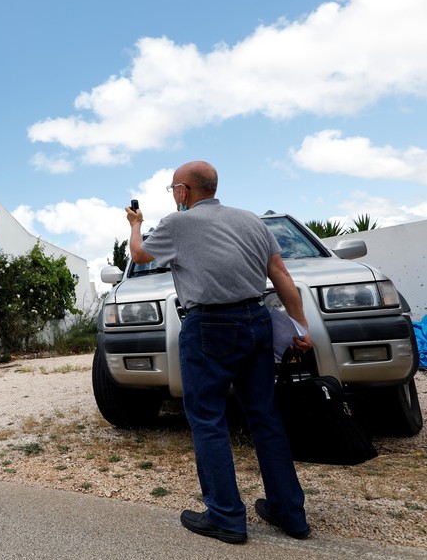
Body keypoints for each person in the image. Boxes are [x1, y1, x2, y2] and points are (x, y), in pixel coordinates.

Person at [126, 160, 312, 544]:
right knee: (265, 417)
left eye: (173, 189)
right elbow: (280, 274)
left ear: (183, 191)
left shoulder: (178, 223)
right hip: (258, 321)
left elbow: (141, 256)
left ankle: (226, 516)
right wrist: (300, 326)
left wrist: (135, 224)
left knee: (208, 420)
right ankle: (289, 512)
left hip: (209, 327)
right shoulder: (251, 221)